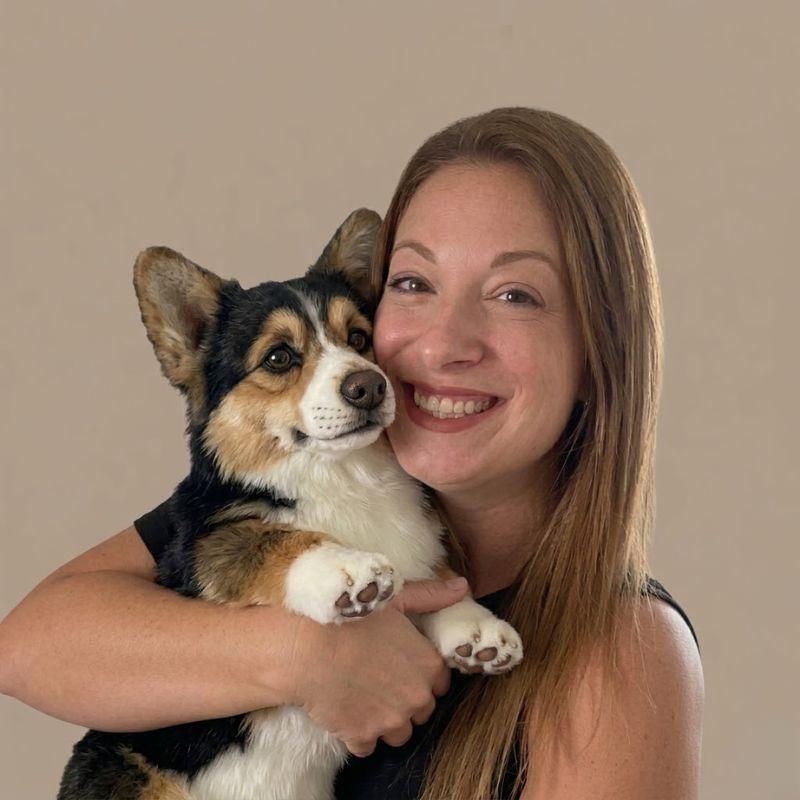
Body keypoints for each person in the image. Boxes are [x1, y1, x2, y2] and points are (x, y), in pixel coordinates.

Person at [0, 107, 704, 799]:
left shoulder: (621, 654)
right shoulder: (286, 503)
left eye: (515, 294)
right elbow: (31, 644)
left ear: (599, 354)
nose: (443, 342)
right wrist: (303, 657)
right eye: (413, 284)